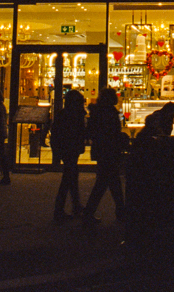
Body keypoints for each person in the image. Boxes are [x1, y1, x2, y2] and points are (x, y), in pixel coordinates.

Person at [82, 87, 126, 226]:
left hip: (101, 150)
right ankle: (118, 211)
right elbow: (113, 132)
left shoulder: (97, 112)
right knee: (108, 182)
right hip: (109, 150)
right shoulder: (110, 113)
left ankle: (119, 211)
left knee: (108, 181)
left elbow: (92, 132)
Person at [50, 90, 86, 223]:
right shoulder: (74, 115)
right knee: (68, 178)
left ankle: (74, 205)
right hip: (70, 149)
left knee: (70, 177)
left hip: (66, 149)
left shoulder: (63, 114)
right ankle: (60, 210)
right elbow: (78, 132)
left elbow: (55, 132)